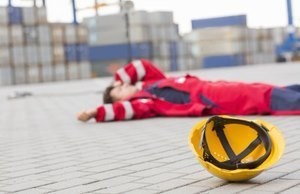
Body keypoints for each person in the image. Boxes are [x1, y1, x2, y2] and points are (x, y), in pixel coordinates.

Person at [77, 59, 300, 122]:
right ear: (119, 101)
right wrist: (95, 112)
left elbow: (141, 66)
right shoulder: (145, 102)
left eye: (122, 85)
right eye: (120, 91)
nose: (125, 86)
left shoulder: (151, 83)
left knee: (265, 88)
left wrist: (117, 80)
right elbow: (124, 110)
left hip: (215, 87)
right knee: (260, 98)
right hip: (211, 98)